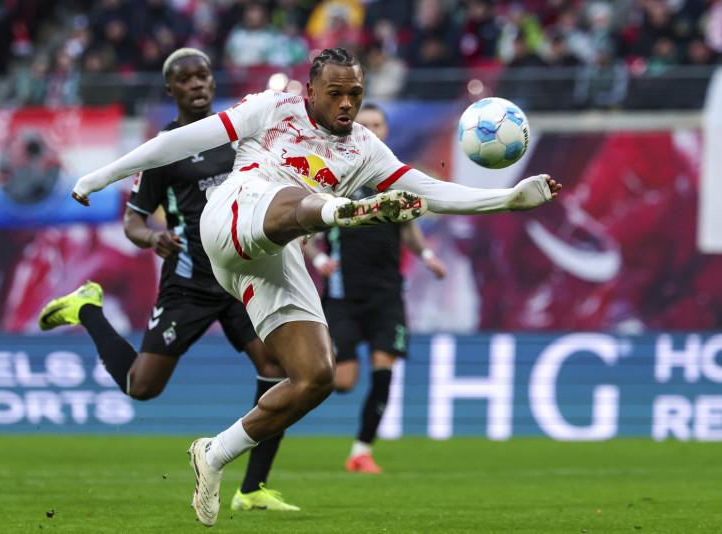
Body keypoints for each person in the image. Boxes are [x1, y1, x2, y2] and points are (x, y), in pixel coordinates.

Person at [69, 47, 562, 527]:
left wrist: (509, 199)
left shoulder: (365, 149)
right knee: (298, 200)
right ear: (310, 91)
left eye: (355, 94)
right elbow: (180, 141)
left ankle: (214, 454)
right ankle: (339, 211)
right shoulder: (273, 108)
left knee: (315, 377)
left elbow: (432, 191)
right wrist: (102, 176)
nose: (347, 104)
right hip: (233, 214)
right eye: (335, 93)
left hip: (271, 256)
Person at [37, 47, 299, 512]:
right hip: (189, 281)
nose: (197, 83)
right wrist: (153, 237)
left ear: (213, 82)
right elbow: (133, 220)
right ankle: (87, 308)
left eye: (203, 75)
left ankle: (252, 488)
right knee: (142, 386)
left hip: (241, 275)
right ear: (170, 89)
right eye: (186, 78)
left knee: (276, 368)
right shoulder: (163, 148)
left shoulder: (240, 133)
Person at [304, 103, 446, 473]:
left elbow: (407, 227)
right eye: (363, 123)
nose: (370, 129)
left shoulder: (396, 178)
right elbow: (307, 232)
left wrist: (426, 255)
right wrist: (319, 260)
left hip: (386, 295)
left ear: (385, 130)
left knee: (384, 370)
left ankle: (361, 452)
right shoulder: (333, 176)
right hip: (343, 296)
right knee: (344, 381)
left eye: (377, 123)